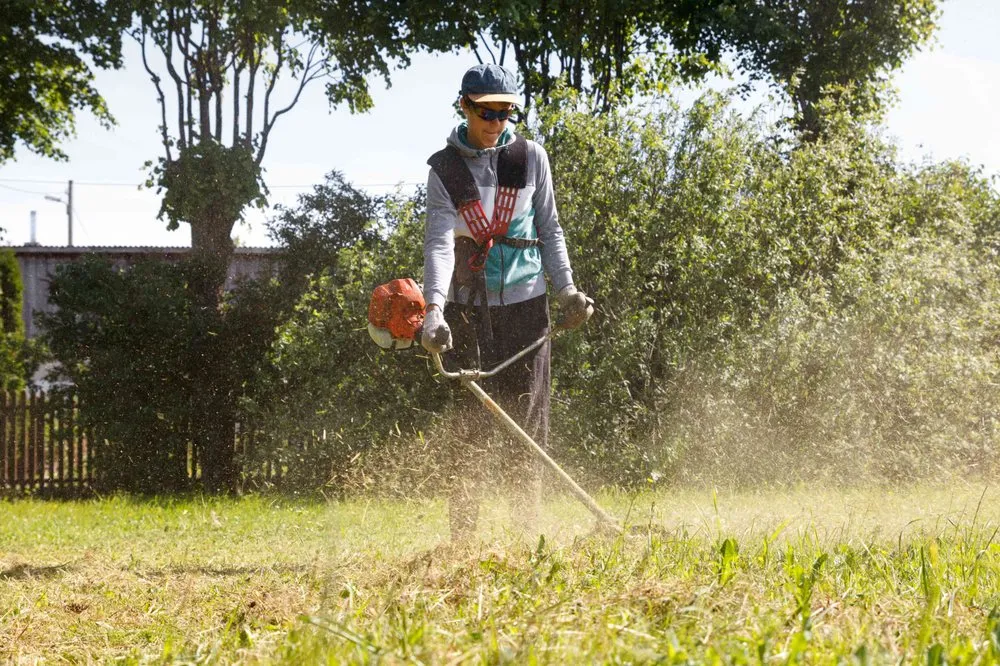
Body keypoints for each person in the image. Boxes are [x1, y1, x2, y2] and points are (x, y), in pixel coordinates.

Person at [420, 63, 593, 539]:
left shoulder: (531, 157)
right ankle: (461, 545)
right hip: (465, 311)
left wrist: (567, 290)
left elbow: (549, 228)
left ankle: (525, 538)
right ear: (465, 106)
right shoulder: (444, 169)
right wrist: (433, 309)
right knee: (468, 431)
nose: (496, 123)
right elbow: (438, 242)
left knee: (529, 425)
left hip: (526, 306)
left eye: (505, 113)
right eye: (486, 112)